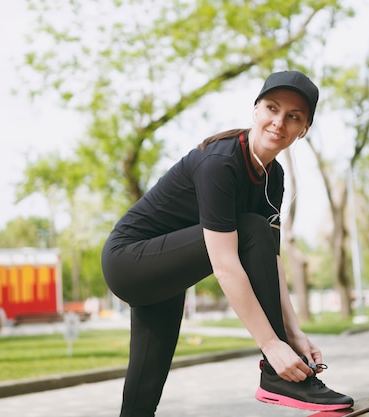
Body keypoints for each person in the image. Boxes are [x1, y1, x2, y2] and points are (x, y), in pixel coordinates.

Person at [101, 70, 354, 417]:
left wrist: (294, 334)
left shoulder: (273, 177)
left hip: (167, 272)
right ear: (255, 110)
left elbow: (271, 263)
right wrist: (271, 346)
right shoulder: (221, 162)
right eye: (272, 108)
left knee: (143, 394)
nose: (279, 122)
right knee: (250, 227)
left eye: (293, 117)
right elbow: (225, 265)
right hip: (130, 261)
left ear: (303, 129)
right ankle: (275, 377)